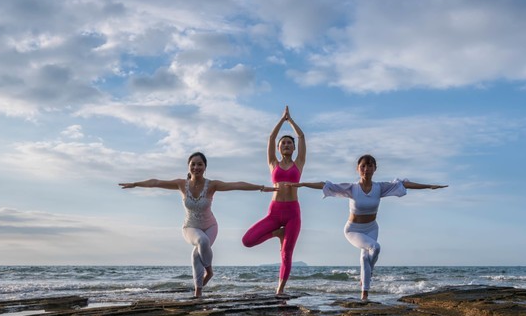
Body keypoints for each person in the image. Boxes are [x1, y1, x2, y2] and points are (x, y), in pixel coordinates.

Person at [284, 154, 446, 301]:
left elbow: (404, 184)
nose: (366, 169)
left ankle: (364, 294)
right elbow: (326, 185)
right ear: (358, 169)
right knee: (375, 247)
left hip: (372, 228)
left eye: (370, 166)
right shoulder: (351, 188)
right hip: (353, 230)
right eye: (363, 166)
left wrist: (429, 186)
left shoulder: (380, 187)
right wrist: (302, 184)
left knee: (364, 258)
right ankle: (370, 272)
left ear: (375, 168)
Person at [120, 152, 271, 298]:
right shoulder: (181, 184)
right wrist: (135, 184)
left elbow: (237, 185)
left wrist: (261, 187)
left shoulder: (212, 185)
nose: (196, 167)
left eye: (200, 164)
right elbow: (156, 182)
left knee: (195, 255)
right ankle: (209, 271)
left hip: (211, 226)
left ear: (205, 167)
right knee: (202, 241)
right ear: (188, 167)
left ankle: (198, 293)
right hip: (190, 227)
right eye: (193, 164)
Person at [241, 106, 307, 295]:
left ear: (293, 148)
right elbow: (270, 138)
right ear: (278, 148)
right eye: (283, 143)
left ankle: (279, 291)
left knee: (286, 254)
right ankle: (277, 233)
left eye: (289, 143)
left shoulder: (299, 163)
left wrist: (291, 121)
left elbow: (302, 137)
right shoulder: (273, 164)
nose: (286, 145)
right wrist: (281, 120)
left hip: (293, 213)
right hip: (275, 212)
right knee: (248, 240)